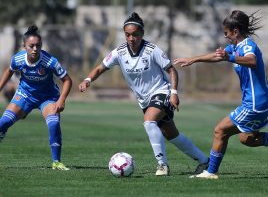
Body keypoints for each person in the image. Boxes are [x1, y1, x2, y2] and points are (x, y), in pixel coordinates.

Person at [174, 10, 268, 179]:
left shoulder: (248, 46)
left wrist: (230, 57)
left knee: (220, 130)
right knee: (247, 139)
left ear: (235, 31)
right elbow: (217, 56)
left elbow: (252, 60)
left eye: (226, 33)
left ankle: (211, 172)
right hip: (262, 102)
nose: (225, 36)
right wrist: (193, 59)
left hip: (255, 104)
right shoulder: (235, 47)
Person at [79, 12, 209, 176]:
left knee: (148, 121)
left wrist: (174, 93)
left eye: (135, 34)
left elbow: (171, 70)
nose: (131, 38)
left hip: (161, 92)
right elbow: (99, 68)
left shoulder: (152, 50)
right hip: (144, 100)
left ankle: (162, 165)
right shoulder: (119, 53)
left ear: (142, 34)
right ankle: (204, 161)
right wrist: (87, 80)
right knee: (171, 135)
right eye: (128, 35)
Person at [0, 25, 72, 170]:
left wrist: (61, 99)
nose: (35, 49)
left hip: (48, 97)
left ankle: (56, 162)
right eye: (31, 46)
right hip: (25, 95)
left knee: (53, 124)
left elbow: (67, 80)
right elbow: (9, 71)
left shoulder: (50, 61)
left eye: (38, 45)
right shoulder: (18, 59)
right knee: (3, 123)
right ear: (24, 46)